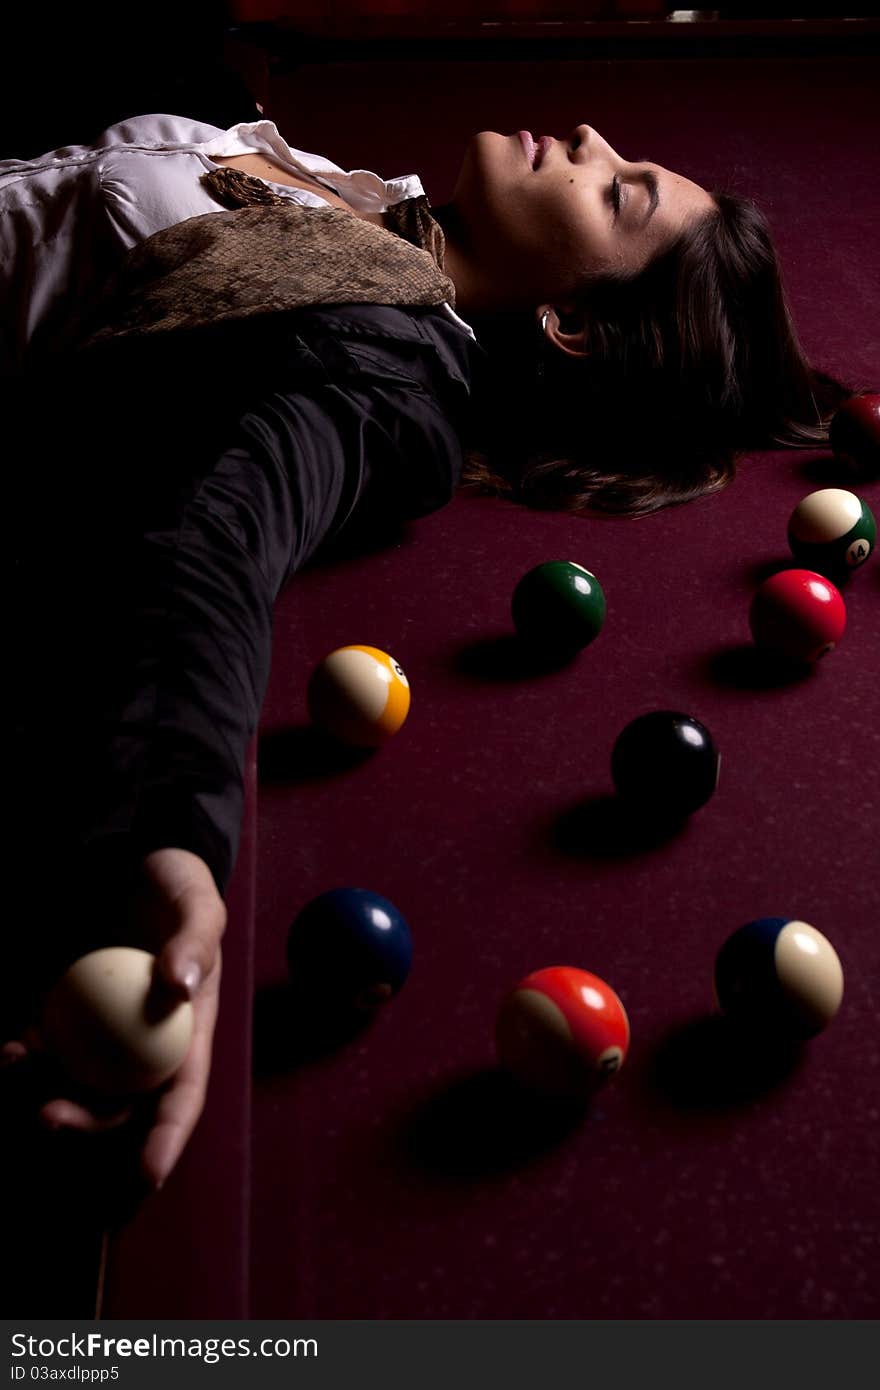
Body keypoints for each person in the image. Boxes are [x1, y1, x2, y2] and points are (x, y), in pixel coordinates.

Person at [1, 112, 849, 1195]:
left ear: (571, 321)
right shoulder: (377, 206)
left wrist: (170, 841)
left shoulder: (381, 364)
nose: (590, 134)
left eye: (617, 189)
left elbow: (210, 543)